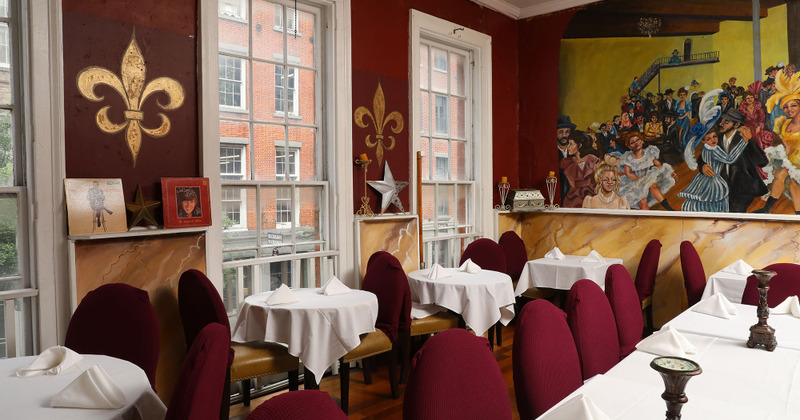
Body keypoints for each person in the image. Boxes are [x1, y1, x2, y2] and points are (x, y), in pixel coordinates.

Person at [698, 109, 768, 213]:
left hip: (742, 189)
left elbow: (762, 162)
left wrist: (750, 141)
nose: (721, 124)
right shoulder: (716, 138)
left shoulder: (744, 138)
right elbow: (703, 155)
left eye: (726, 122)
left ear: (736, 125)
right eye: (721, 120)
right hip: (721, 187)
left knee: (734, 215)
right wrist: (702, 165)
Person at [679, 125, 749, 212]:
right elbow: (729, 159)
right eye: (708, 139)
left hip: (703, 179)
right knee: (715, 201)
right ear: (703, 141)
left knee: (704, 200)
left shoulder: (706, 148)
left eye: (714, 136)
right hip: (713, 179)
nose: (713, 140)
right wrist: (744, 142)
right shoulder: (715, 149)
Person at [757, 73, 800, 213]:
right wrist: (786, 161)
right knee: (779, 175)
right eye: (786, 107)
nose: (789, 110)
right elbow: (786, 145)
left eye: (793, 105)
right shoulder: (784, 123)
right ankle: (766, 209)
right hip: (792, 159)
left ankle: (798, 213)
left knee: (792, 180)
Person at [618, 131, 678, 210]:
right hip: (635, 182)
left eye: (637, 140)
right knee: (643, 200)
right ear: (629, 146)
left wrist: (670, 173)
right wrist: (641, 180)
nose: (636, 143)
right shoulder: (628, 158)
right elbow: (628, 173)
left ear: (641, 141)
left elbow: (659, 165)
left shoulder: (649, 153)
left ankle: (669, 209)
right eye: (632, 142)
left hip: (648, 179)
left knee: (652, 185)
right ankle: (646, 218)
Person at [560, 131, 600, 208]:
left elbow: (598, 180)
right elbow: (572, 186)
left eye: (571, 144)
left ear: (579, 145)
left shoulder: (592, 159)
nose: (568, 147)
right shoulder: (569, 164)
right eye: (568, 144)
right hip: (574, 198)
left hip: (592, 195)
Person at [557, 115, 577, 204]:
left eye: (567, 132)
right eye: (561, 132)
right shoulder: (552, 152)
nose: (564, 135)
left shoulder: (575, 152)